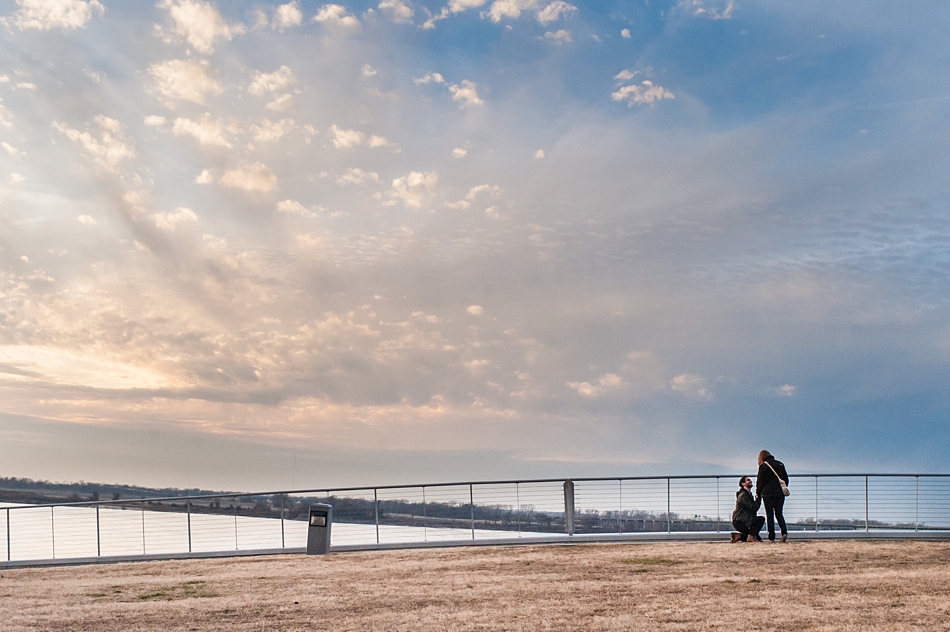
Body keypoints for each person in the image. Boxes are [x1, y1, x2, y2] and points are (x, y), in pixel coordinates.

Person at [756, 449, 789, 543]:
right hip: (780, 493)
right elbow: (785, 479)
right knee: (779, 513)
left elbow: (760, 482)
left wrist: (758, 493)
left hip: (767, 494)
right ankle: (784, 533)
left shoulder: (763, 466)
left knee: (769, 515)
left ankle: (771, 537)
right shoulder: (780, 464)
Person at [731, 476, 764, 542]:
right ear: (743, 483)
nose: (750, 481)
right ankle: (750, 537)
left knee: (756, 537)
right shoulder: (743, 496)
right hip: (741, 521)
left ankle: (738, 536)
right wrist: (758, 499)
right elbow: (753, 508)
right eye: (748, 480)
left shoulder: (747, 495)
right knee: (761, 520)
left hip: (743, 520)